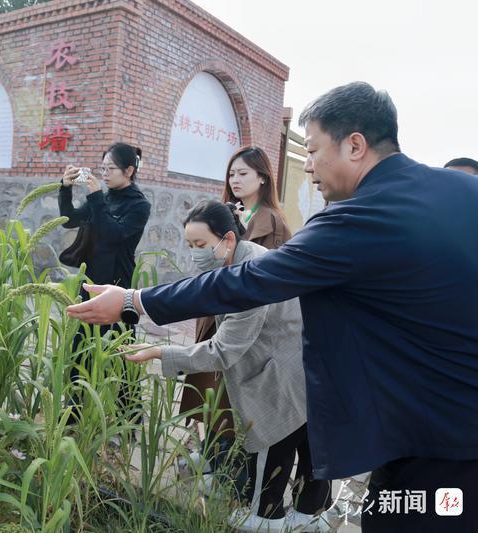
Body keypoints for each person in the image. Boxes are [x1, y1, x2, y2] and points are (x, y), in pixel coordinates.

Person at [66, 82, 478, 532]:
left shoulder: (359, 218)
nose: (309, 165)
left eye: (314, 150)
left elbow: (249, 281)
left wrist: (134, 300)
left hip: (430, 441)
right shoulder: (463, 190)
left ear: (355, 145)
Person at [128, 200, 330, 531]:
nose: (196, 253)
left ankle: (266, 518)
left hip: (281, 373)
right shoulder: (243, 259)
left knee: (272, 450)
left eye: (201, 244)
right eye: (190, 245)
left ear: (228, 239)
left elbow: (223, 350)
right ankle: (312, 515)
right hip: (301, 363)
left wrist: (160, 352)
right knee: (310, 448)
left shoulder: (251, 276)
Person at [180, 146, 293, 470]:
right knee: (212, 394)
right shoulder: (223, 211)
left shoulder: (273, 222)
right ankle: (212, 456)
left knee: (235, 400)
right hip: (215, 317)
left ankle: (229, 467)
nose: (235, 180)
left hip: (249, 325)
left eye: (243, 173)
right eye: (232, 173)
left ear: (263, 177)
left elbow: (269, 279)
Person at [59, 142, 151, 423]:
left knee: (121, 349)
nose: (105, 174)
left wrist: (97, 196)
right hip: (90, 280)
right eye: (102, 168)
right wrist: (65, 188)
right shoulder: (103, 197)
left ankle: (129, 416)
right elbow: (69, 220)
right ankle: (73, 412)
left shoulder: (139, 205)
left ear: (129, 171)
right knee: (81, 345)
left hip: (118, 286)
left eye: (111, 168)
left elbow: (114, 234)